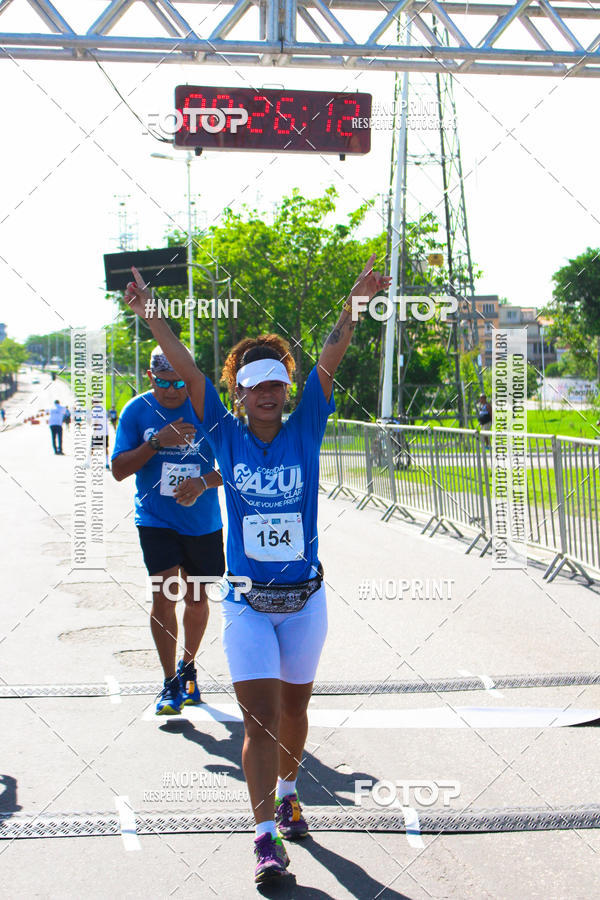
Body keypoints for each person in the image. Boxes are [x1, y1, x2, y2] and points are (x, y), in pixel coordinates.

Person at [124, 255, 390, 884]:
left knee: (296, 711)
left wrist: (354, 299)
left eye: (277, 385)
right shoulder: (223, 431)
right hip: (246, 602)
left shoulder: (306, 429)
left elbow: (334, 351)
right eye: (255, 386)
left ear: (287, 392)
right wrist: (149, 315)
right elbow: (187, 369)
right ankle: (265, 837)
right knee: (260, 718)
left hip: (304, 601)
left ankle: (292, 790)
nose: (268, 395)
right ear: (238, 394)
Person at [111, 346, 225, 716]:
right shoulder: (136, 411)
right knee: (165, 594)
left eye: (180, 381)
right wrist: (158, 442)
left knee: (196, 599)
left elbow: (240, 464)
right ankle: (168, 683)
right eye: (164, 383)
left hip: (203, 523)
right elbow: (118, 469)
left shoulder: (207, 407)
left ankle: (188, 667)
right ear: (150, 377)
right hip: (156, 520)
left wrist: (203, 483)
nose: (173, 391)